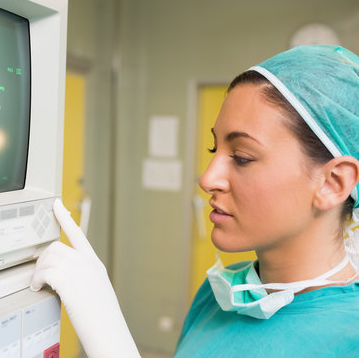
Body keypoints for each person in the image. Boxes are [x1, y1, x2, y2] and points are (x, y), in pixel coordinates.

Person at [31, 45, 359, 357]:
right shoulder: (223, 296)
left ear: (333, 183)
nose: (207, 178)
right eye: (214, 150)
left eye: (242, 157)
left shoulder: (348, 339)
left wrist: (112, 345)